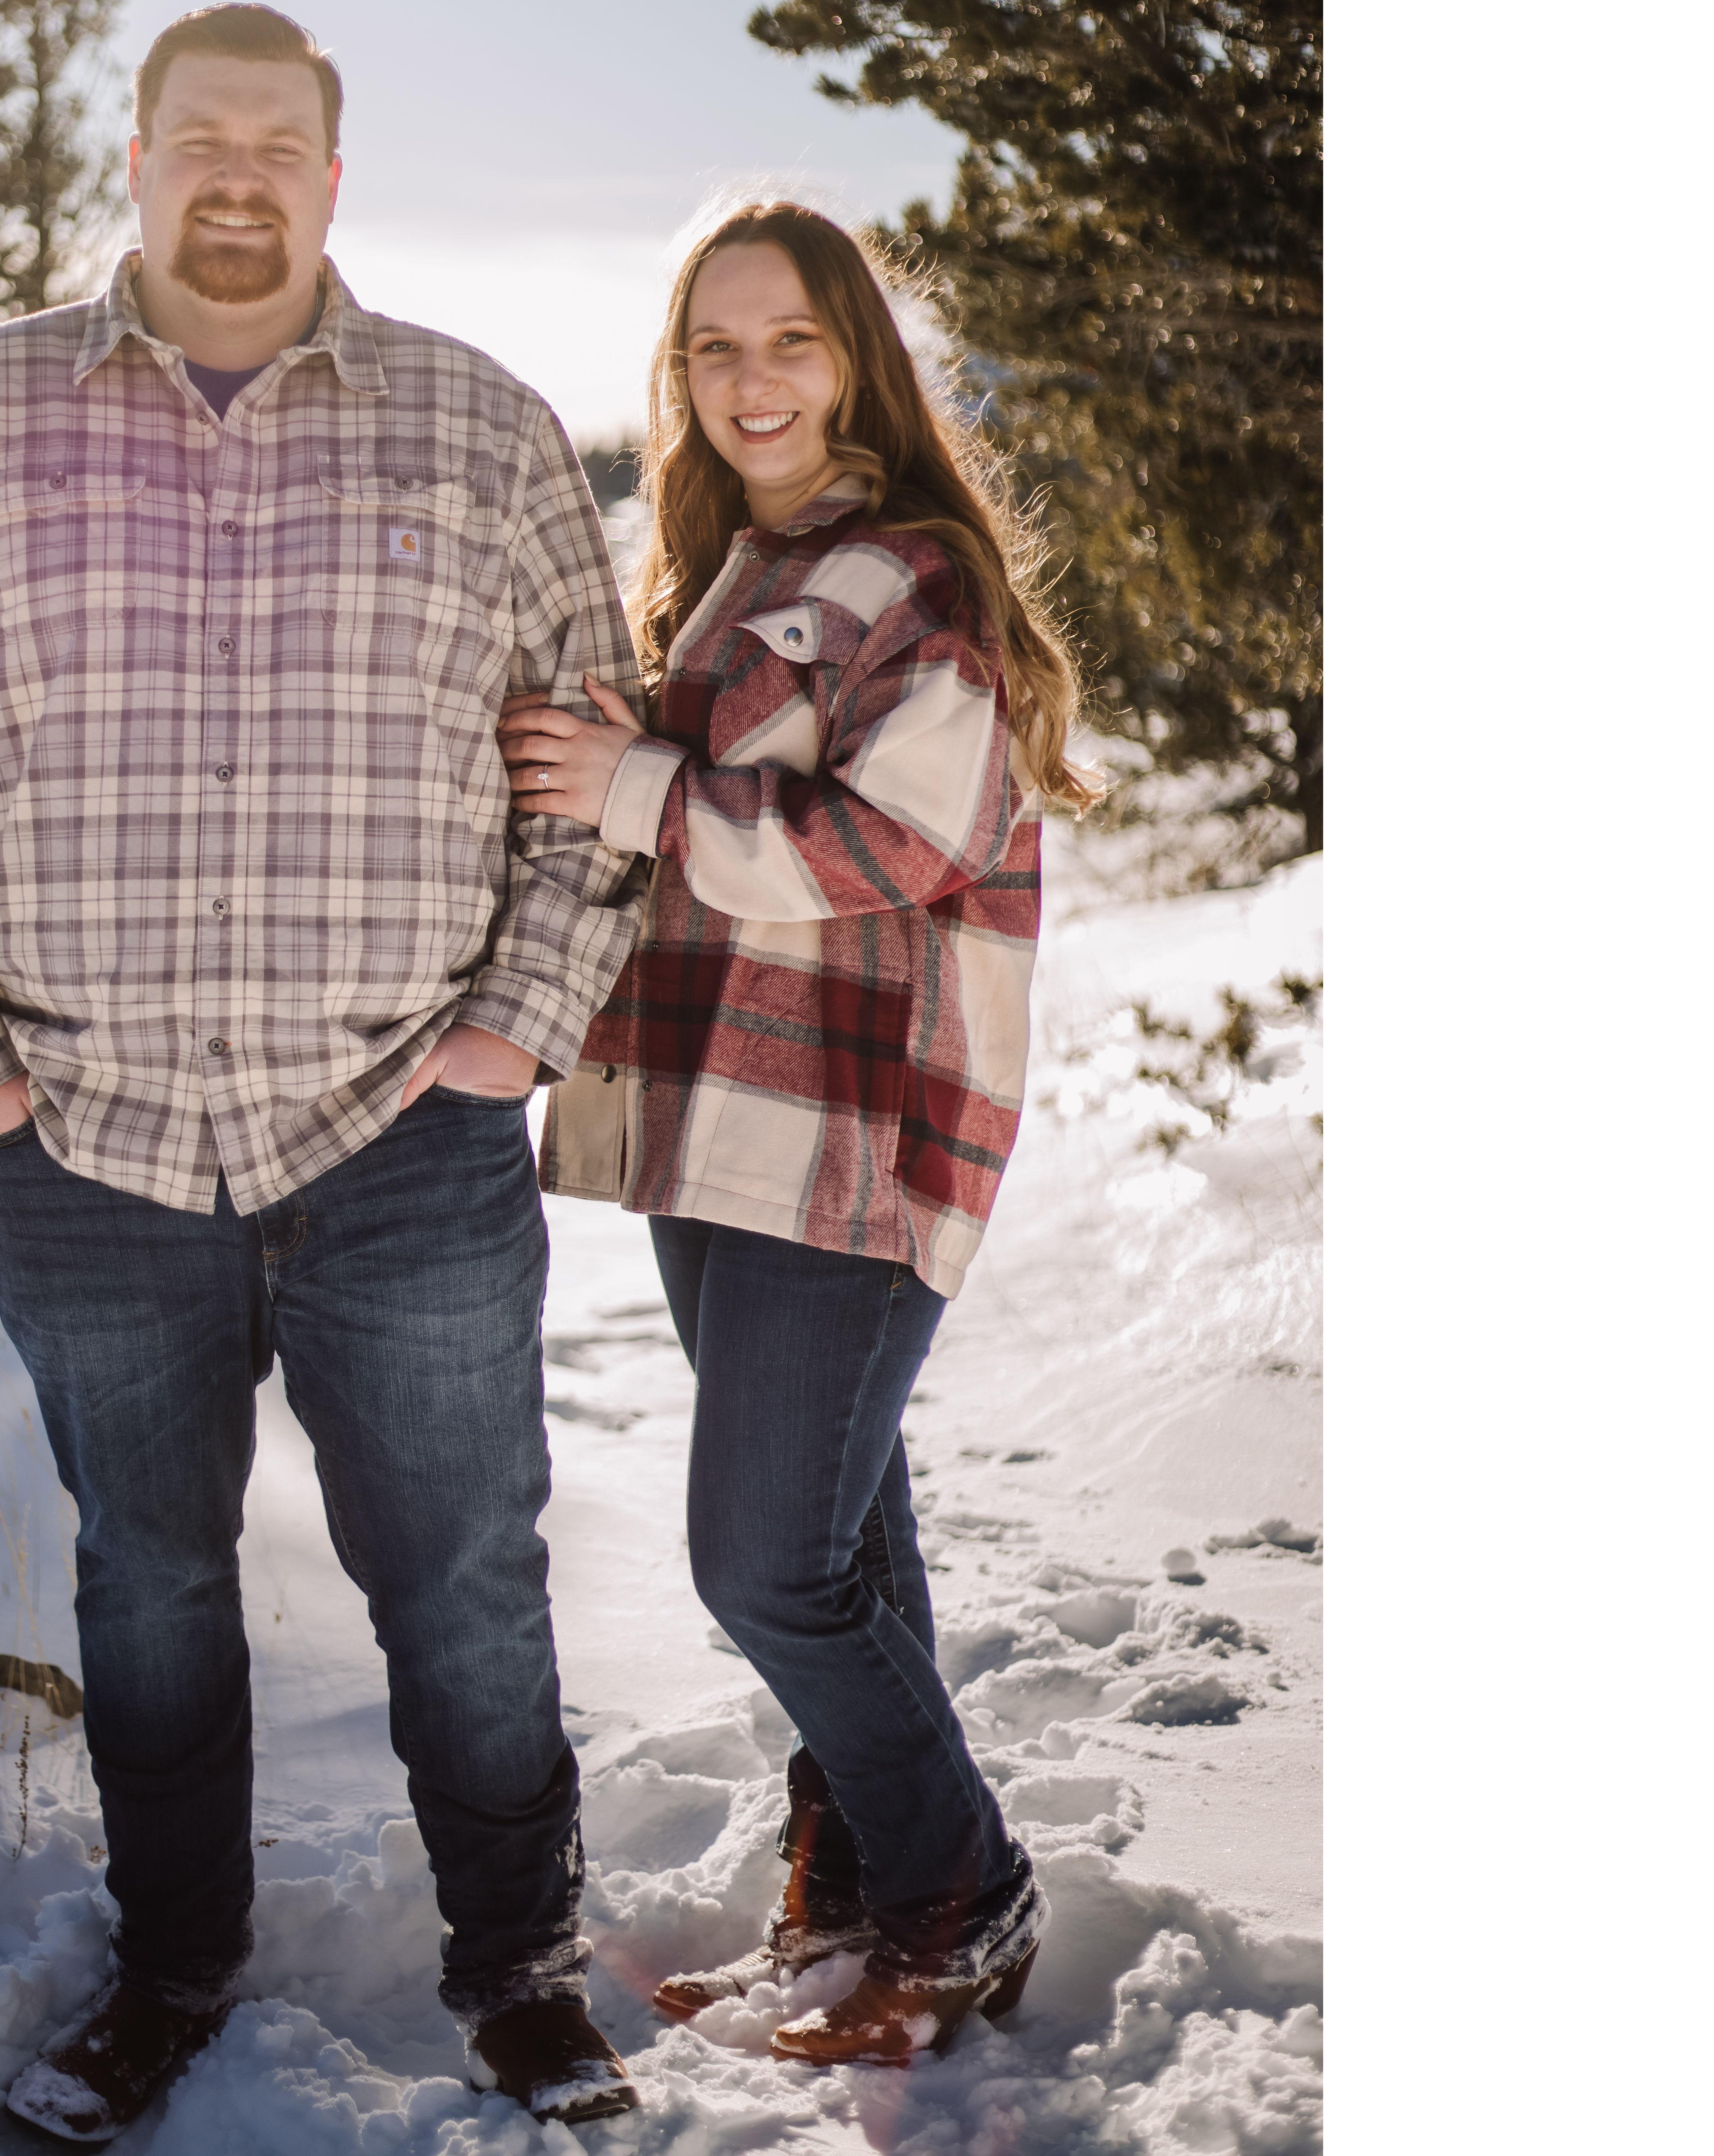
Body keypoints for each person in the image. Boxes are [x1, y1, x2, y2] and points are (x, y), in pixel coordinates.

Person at [0, 3, 647, 2140]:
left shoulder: (481, 428)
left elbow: (598, 787)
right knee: (151, 1583)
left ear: (333, 178)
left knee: (464, 1578)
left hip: (406, 1135)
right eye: (202, 136)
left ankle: (522, 1967)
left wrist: (509, 1040)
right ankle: (172, 1968)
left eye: (280, 142)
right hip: (82, 1142)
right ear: (142, 158)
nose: (239, 173)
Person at [498, 199, 1105, 2067]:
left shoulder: (914, 582)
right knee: (844, 1538)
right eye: (714, 347)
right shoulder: (727, 572)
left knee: (765, 1563)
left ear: (859, 362)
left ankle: (964, 1889)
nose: (749, 380)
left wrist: (637, 782)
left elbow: (897, 847)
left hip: (853, 1130)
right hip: (720, 1118)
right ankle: (856, 1902)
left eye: (790, 342)